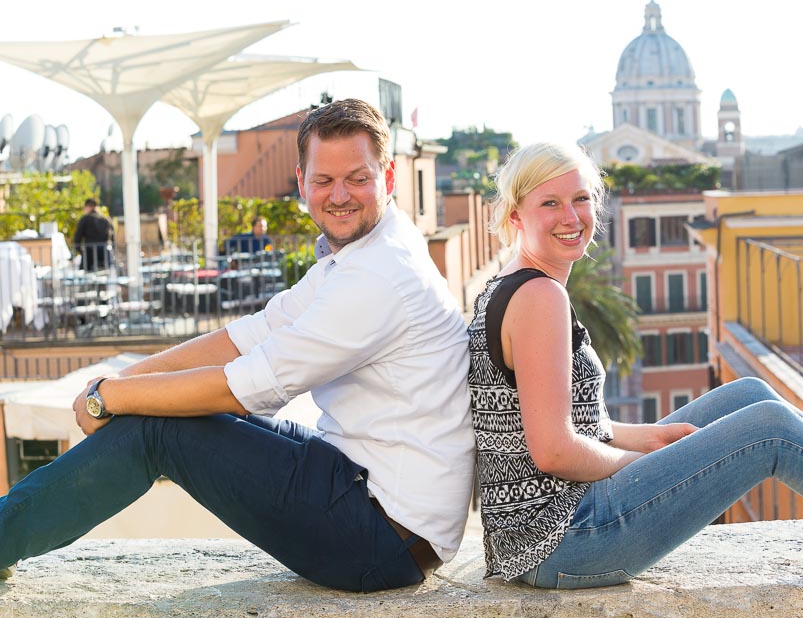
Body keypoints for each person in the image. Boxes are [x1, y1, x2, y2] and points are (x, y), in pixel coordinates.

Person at [467, 142, 803, 589]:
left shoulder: (512, 284)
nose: (571, 218)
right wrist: (644, 468)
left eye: (581, 199)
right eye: (550, 204)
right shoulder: (539, 298)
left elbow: (540, 424)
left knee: (749, 396)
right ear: (516, 215)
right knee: (767, 431)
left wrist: (645, 438)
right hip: (563, 541)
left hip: (546, 532)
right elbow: (553, 449)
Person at [0, 99, 475, 592]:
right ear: (301, 181)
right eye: (323, 181)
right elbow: (249, 335)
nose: (339, 196)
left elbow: (245, 387)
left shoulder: (378, 275)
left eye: (357, 178)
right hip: (368, 493)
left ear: (389, 176)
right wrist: (125, 381)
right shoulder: (372, 249)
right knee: (177, 412)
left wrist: (108, 397)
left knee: (157, 432)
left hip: (381, 538)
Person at [72, 198, 114, 271]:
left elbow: (77, 237)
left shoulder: (85, 219)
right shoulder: (106, 219)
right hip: (104, 252)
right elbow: (112, 237)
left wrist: (80, 251)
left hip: (89, 253)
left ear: (87, 207)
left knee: (87, 275)